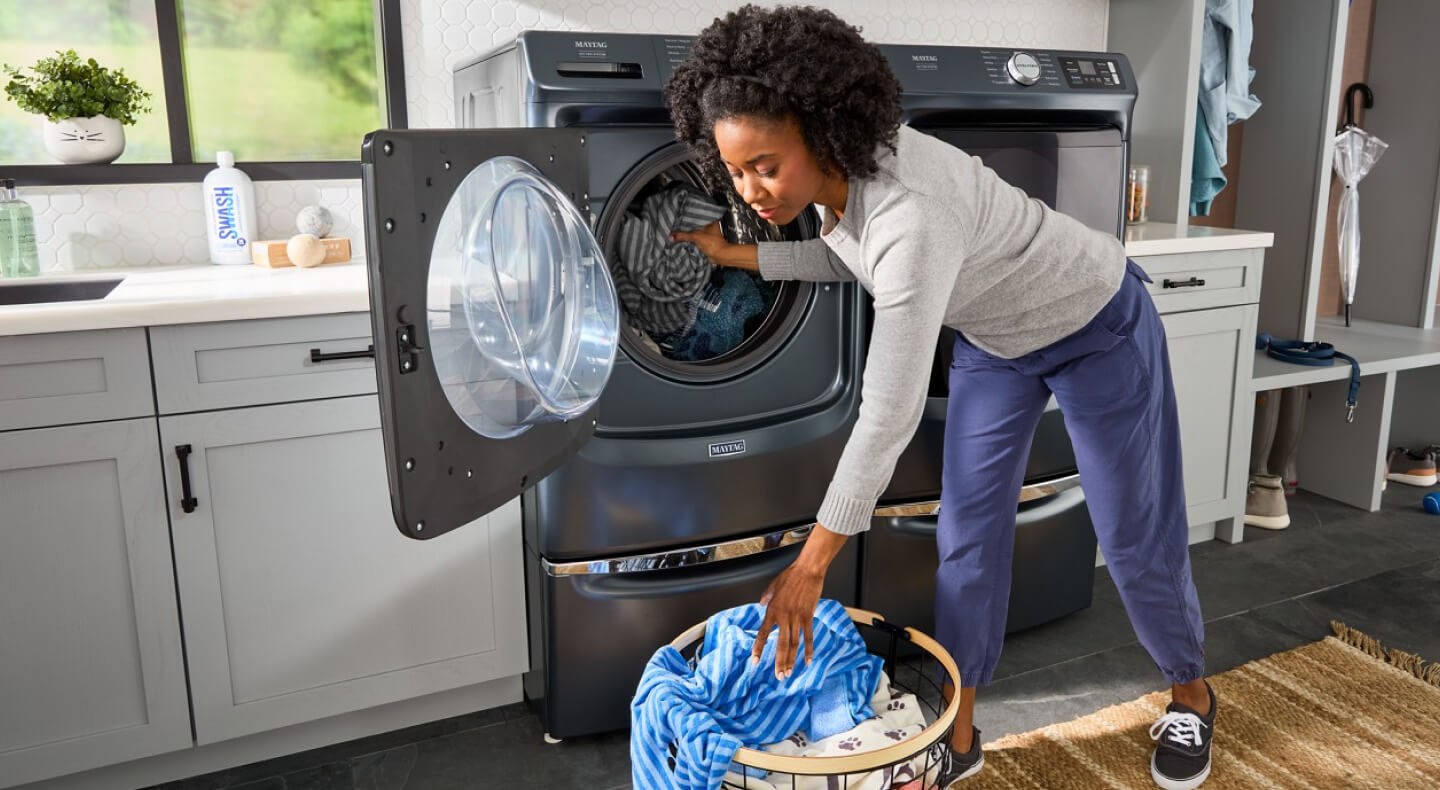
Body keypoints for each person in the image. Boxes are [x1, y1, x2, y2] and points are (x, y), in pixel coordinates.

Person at [662, 6, 1215, 790]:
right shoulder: (841, 184)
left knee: (1131, 532)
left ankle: (1191, 690)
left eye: (766, 166)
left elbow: (886, 412)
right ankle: (960, 732)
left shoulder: (912, 214)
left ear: (821, 131)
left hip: (1095, 319)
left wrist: (810, 565)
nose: (752, 188)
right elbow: (849, 256)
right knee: (966, 539)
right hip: (997, 339)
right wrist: (741, 255)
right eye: (737, 169)